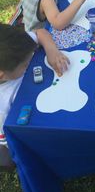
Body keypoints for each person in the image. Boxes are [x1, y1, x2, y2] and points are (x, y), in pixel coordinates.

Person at [0, 24, 69, 170]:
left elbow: (40, 32)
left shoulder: (12, 47)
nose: (29, 64)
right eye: (26, 65)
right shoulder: (3, 104)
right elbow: (12, 139)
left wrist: (52, 52)